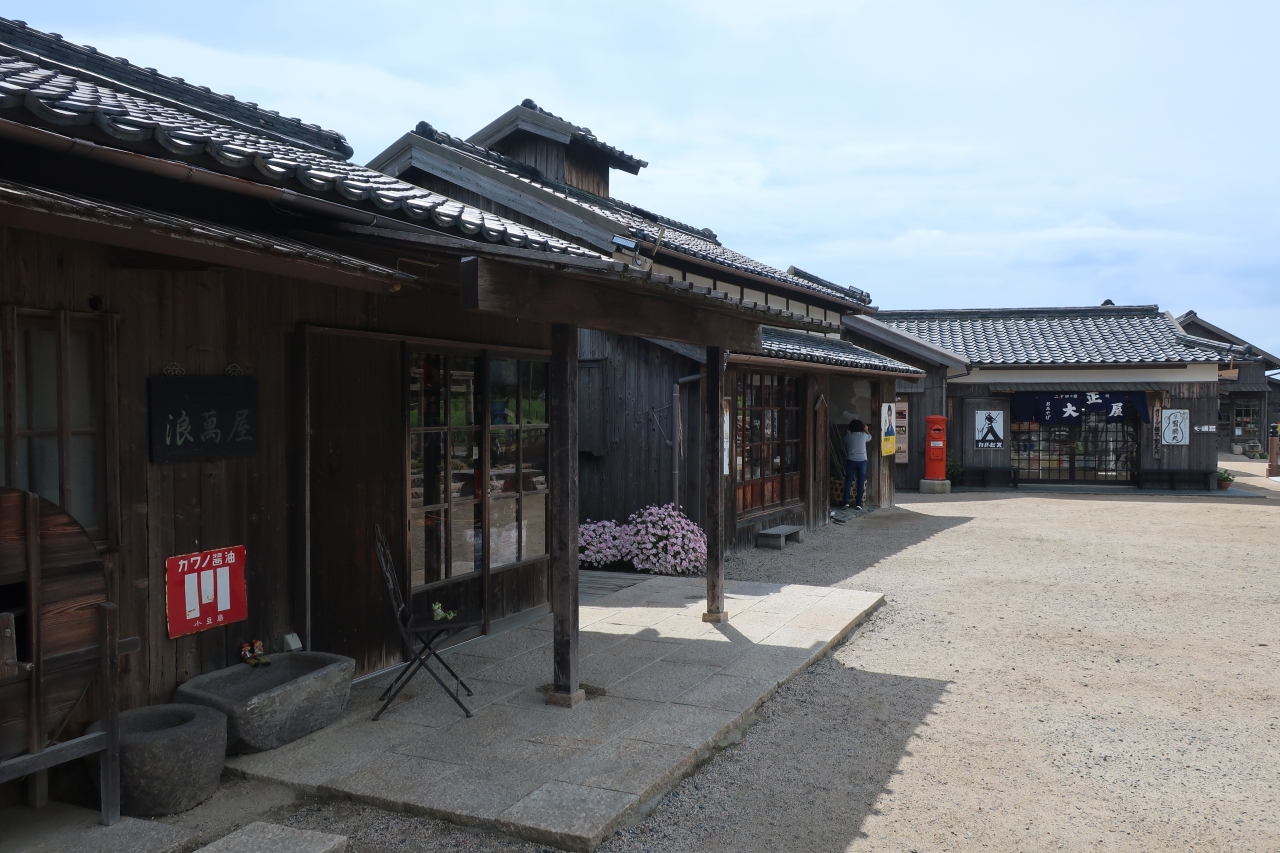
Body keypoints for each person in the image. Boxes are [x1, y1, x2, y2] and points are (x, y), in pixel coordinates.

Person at [843, 418, 871, 509]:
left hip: (851, 460)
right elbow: (870, 437)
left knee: (848, 481)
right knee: (860, 482)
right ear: (861, 427)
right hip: (862, 461)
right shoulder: (864, 435)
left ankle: (846, 502)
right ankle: (858, 503)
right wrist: (866, 430)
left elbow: (842, 445)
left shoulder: (848, 437)